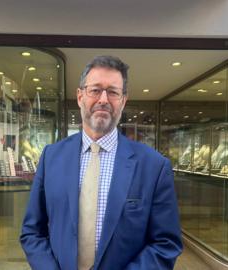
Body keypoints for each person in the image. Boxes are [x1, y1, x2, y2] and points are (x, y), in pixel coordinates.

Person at [20, 55, 182, 270]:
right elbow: (32, 231)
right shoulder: (51, 157)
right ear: (80, 97)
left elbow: (165, 244)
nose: (103, 99)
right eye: (95, 90)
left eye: (113, 92)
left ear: (123, 100)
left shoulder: (154, 166)